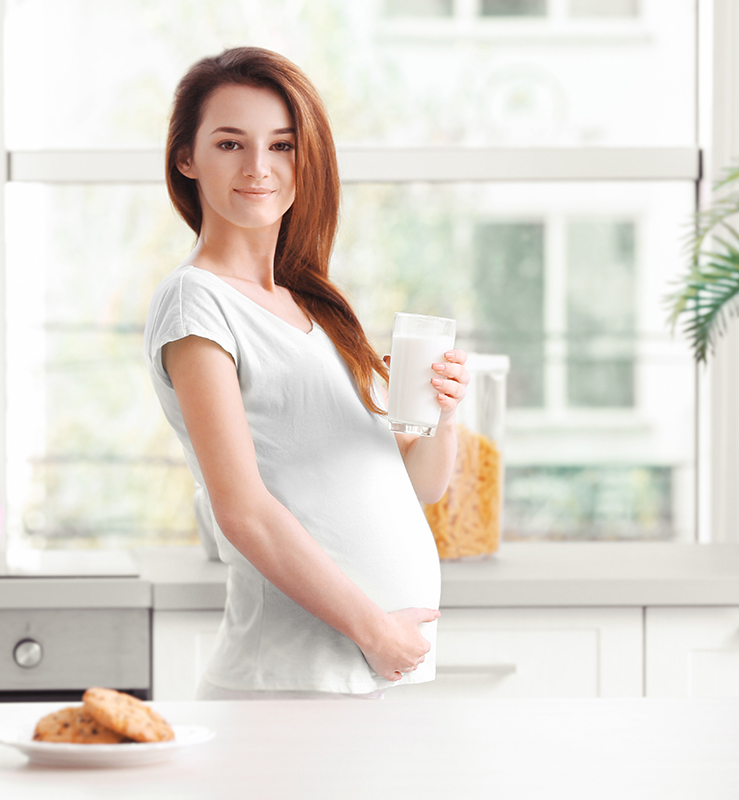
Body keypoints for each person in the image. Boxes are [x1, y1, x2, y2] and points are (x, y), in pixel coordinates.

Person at [143, 46, 469, 699]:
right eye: (231, 143)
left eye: (283, 145)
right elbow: (244, 512)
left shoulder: (313, 304)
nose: (259, 167)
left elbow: (422, 486)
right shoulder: (196, 302)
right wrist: (375, 630)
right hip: (290, 679)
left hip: (364, 677)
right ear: (188, 158)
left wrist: (445, 413)